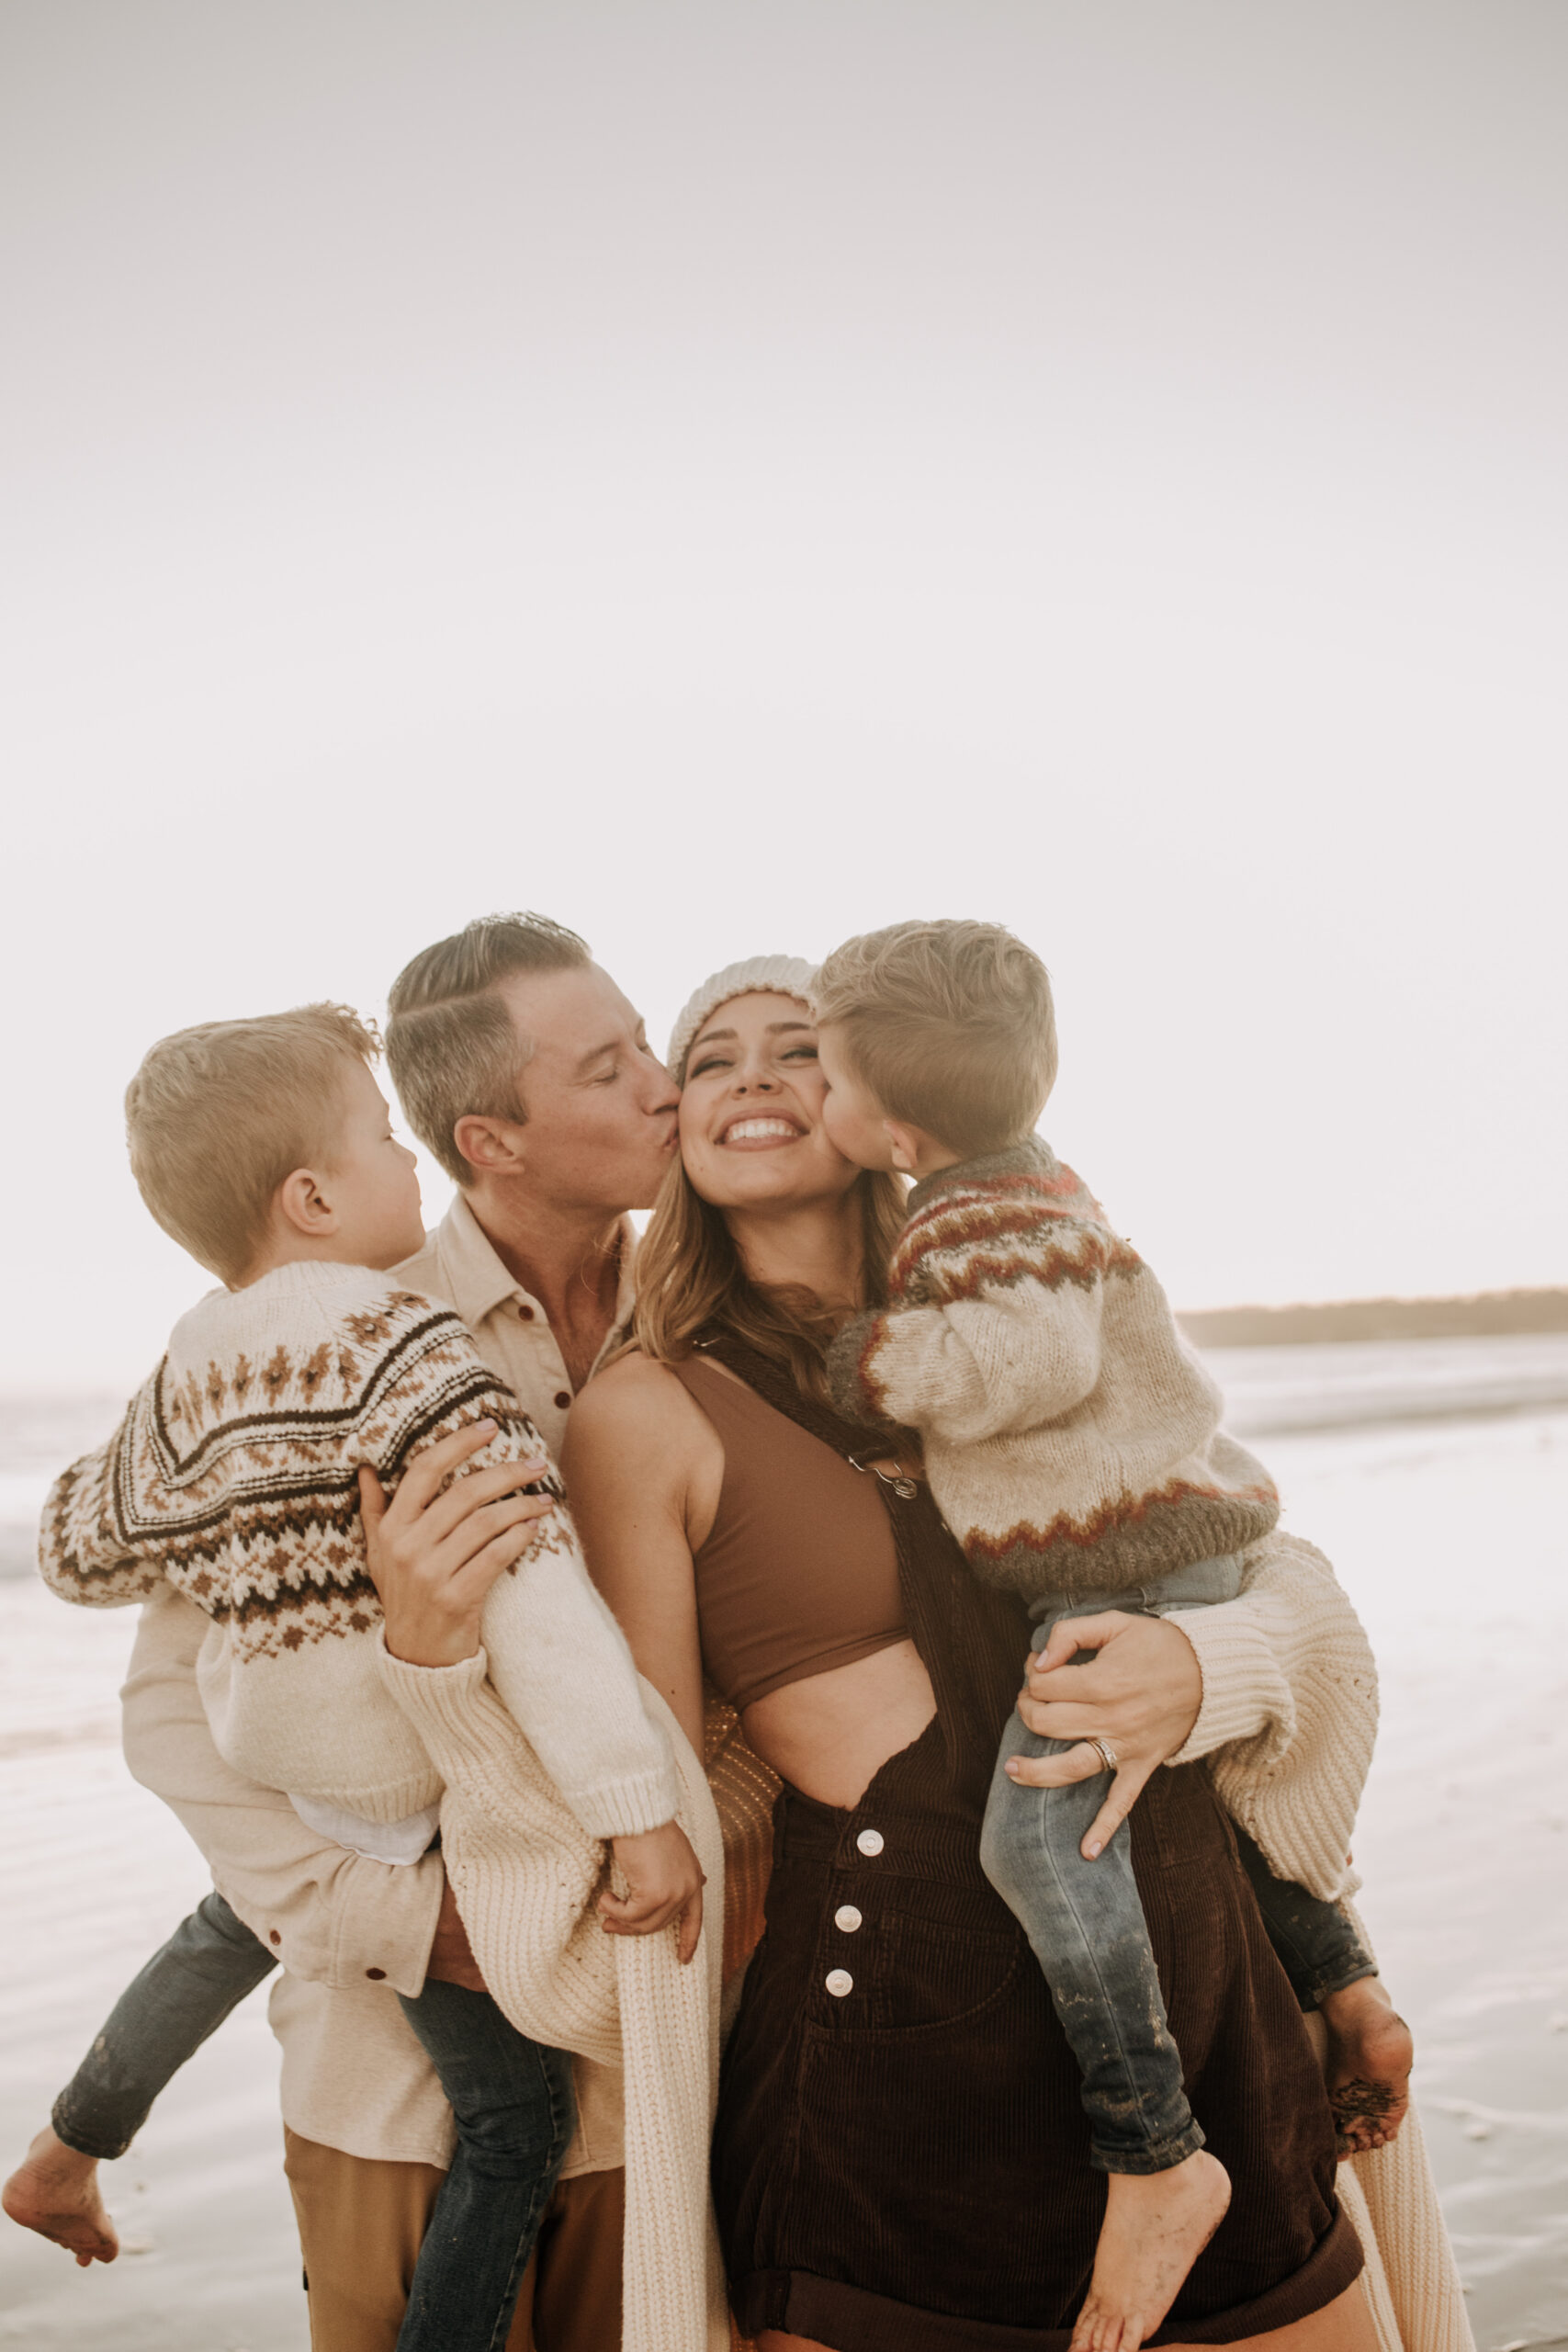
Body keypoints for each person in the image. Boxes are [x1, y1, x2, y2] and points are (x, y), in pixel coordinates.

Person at [560, 955, 1401, 2352]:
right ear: (678, 1127)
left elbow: (1272, 1582)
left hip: (1194, 1966)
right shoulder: (647, 1407)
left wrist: (1334, 1958)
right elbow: (646, 1775)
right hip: (904, 2025)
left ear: (885, 1103)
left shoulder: (1031, 1315)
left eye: (798, 1047)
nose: (755, 1076)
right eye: (711, 1058)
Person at [4, 912, 691, 2352]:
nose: (668, 1081)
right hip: (395, 2094)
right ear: (482, 1136)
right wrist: (424, 1917)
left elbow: (86, 1540)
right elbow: (174, 1723)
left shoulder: (707, 1320)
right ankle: (74, 2144)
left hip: (676, 2074)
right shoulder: (394, 1344)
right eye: (613, 1061)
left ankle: (74, 2140)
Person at [808, 918, 1412, 2350]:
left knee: (1037, 1840)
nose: (817, 1106)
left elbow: (1030, 1358)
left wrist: (864, 1360)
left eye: (823, 1076)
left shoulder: (972, 1210)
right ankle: (1329, 1965)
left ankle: (1153, 2147)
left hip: (1127, 1575)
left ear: (889, 1126)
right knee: (1176, 1795)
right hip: (1150, 1556)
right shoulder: (1010, 1182)